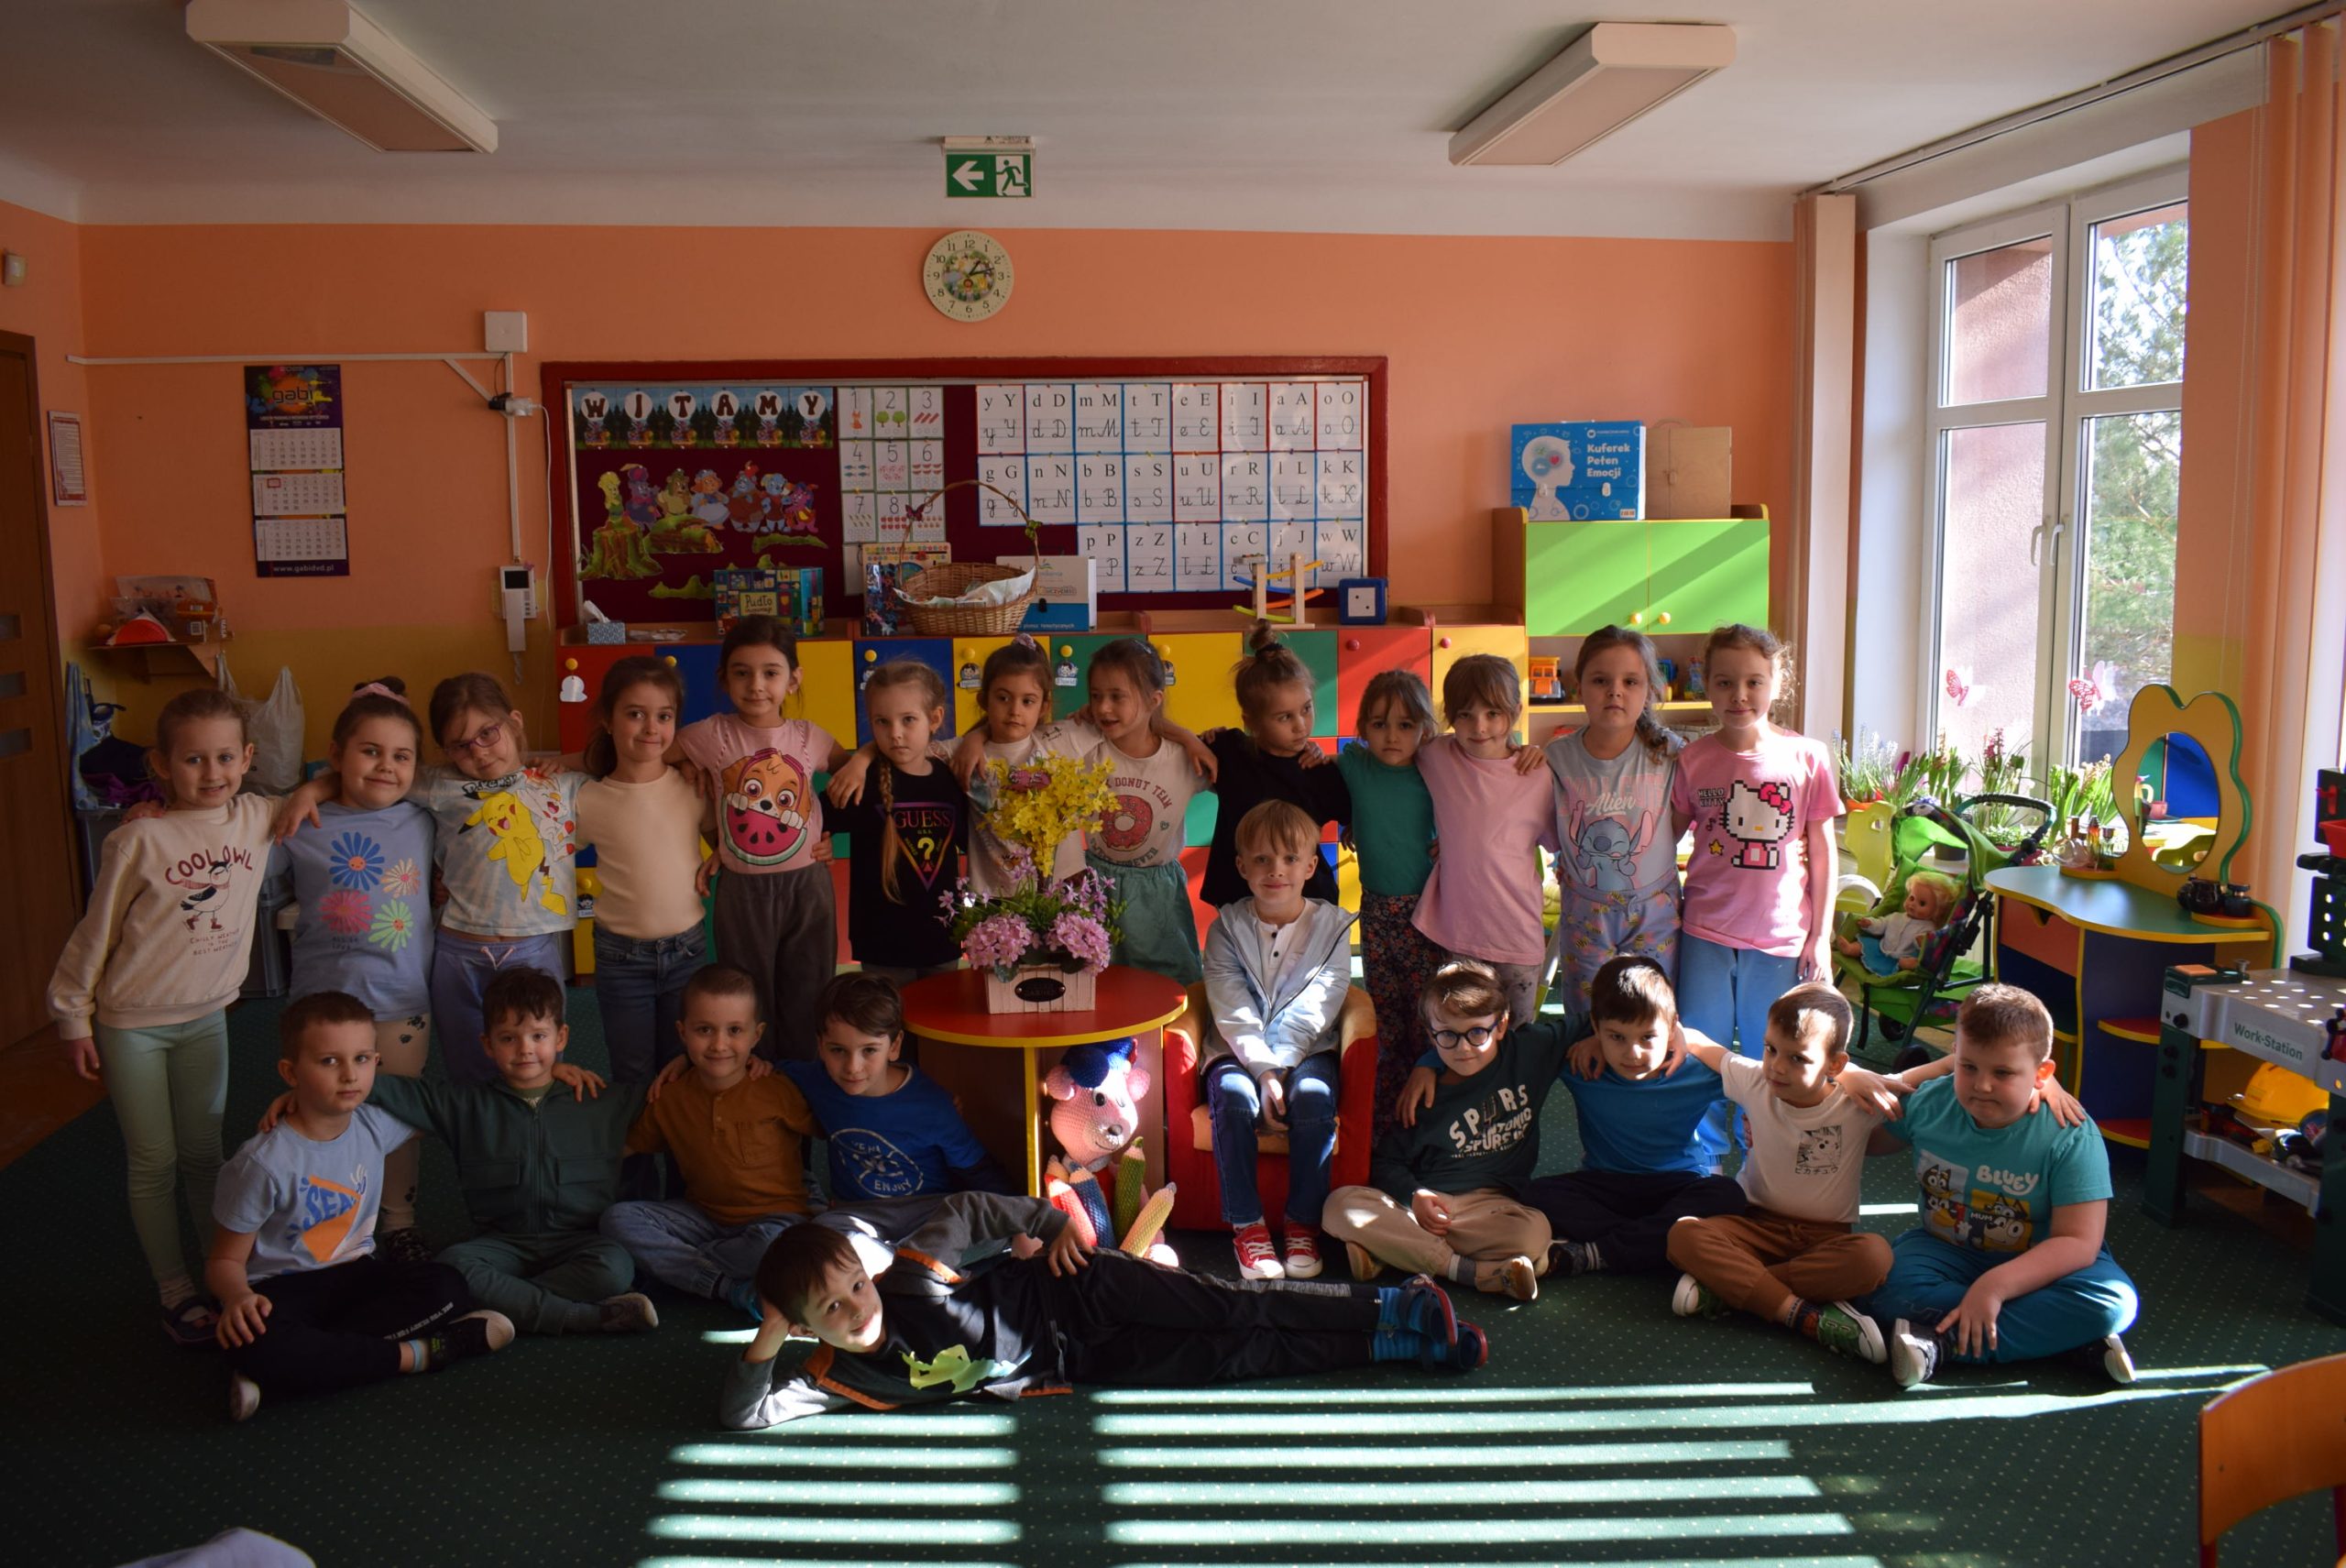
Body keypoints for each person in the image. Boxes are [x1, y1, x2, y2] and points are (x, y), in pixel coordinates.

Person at [717, 1191, 1485, 1426]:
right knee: (1230, 1357)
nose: (857, 1307)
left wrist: (1051, 1224)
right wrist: (769, 1335)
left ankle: (1394, 1302)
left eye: (855, 1285)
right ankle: (1397, 1347)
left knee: (1230, 1304)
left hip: (1078, 1285)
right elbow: (743, 1415)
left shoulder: (912, 1276)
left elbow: (972, 1209)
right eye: (830, 1307)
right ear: (803, 1326)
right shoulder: (834, 1377)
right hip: (1082, 1358)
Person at [49, 688, 284, 1345]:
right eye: (193, 759)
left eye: (225, 757)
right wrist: (72, 1015)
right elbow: (95, 933)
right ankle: (174, 1290)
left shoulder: (257, 816)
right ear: (161, 764)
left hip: (207, 1017)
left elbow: (317, 790)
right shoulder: (138, 838)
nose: (212, 773)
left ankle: (221, 1273)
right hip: (132, 1023)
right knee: (153, 1159)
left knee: (206, 1153)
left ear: (248, 758)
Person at [258, 967, 658, 1337]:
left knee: (615, 1267)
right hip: (500, 1245)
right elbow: (373, 1085)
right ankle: (578, 1317)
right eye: (508, 1038)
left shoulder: (599, 1100)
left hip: (579, 1242)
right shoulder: (463, 1104)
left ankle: (506, 1302)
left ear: (562, 1038)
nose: (525, 1049)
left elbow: (669, 1096)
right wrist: (307, 1091)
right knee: (452, 1268)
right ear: (488, 1044)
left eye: (539, 1036)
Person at [276, 671, 590, 1088]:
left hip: (532, 949)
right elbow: (372, 773)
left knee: (538, 1064)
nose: (478, 752)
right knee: (469, 1067)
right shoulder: (439, 784)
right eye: (460, 744)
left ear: (514, 722)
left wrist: (569, 759)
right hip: (459, 952)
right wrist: (311, 791)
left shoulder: (561, 785)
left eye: (488, 733)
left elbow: (617, 762)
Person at [208, 992, 511, 1421]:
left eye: (363, 1059)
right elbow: (223, 1261)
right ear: (290, 1072)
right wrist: (237, 1296)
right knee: (253, 1339)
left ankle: (297, 1367)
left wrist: (544, 1072)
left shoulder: (374, 1123)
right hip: (281, 1289)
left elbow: (453, 1107)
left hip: (356, 1275)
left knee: (448, 1288)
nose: (350, 1074)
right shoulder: (261, 1163)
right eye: (329, 1061)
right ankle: (419, 1355)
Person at [1866, 984, 2142, 1387]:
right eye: (1968, 1067)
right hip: (1943, 1249)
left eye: (2003, 1073)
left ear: (2042, 1074)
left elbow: (2079, 1242)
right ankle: (2062, 1339)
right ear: (1953, 1057)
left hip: (2042, 1259)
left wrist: (1995, 1288)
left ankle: (1941, 1345)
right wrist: (1839, 1088)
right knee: (1883, 1288)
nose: (1982, 1086)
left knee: (2112, 1303)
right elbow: (1864, 1141)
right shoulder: (1930, 1103)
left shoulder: (2071, 1134)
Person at [268, 678, 437, 1264]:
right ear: (336, 755)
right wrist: (310, 789)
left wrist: (315, 781)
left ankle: (399, 1221)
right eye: (370, 751)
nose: (387, 766)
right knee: (325, 1117)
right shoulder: (301, 821)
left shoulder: (423, 814)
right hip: (323, 1007)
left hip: (401, 1001)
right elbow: (235, 848)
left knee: (397, 1116)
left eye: (402, 755)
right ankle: (335, 1227)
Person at [1661, 983, 1893, 1361]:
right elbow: (1703, 1044)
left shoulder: (1856, 1102)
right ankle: (1801, 1315)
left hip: (1825, 1239)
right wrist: (1675, 1031)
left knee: (1874, 1257)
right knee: (1684, 1235)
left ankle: (1728, 1288)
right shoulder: (1757, 1080)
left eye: (1797, 1058)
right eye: (1770, 1049)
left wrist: (1854, 1075)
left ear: (1835, 1064)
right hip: (1754, 1227)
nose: (1777, 1067)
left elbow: (1921, 1080)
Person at [1323, 960, 1562, 1300]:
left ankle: (1396, 1253)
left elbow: (1591, 1022)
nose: (1463, 1048)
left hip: (1490, 1208)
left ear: (1501, 1025)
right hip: (1424, 1206)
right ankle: (1473, 1272)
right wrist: (1414, 1195)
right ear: (1430, 1034)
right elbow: (1387, 1161)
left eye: (1477, 1032)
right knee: (1338, 1206)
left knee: (1534, 1231)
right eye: (1448, 1035)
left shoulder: (1530, 1051)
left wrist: (1602, 1042)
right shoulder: (1421, 1094)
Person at [676, 616, 855, 1059]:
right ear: (724, 679)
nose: (756, 685)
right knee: (745, 997)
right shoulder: (711, 734)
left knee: (810, 991)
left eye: (770, 672)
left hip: (808, 887)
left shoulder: (810, 737)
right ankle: (752, 1082)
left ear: (793, 679)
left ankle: (802, 1082)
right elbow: (646, 754)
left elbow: (854, 778)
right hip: (742, 892)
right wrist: (684, 766)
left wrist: (835, 831)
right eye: (742, 672)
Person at [600, 964, 821, 1320]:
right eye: (704, 1030)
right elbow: (626, 1147)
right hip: (703, 1219)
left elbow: (833, 1127)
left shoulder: (777, 1089)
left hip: (775, 1222)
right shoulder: (670, 1097)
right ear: (682, 1033)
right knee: (617, 1219)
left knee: (775, 1246)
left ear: (756, 1035)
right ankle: (729, 1287)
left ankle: (680, 1270)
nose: (719, 1045)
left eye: (735, 1030)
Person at [1200, 800, 1357, 1280]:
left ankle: (1302, 1222)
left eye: (1290, 859)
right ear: (1241, 866)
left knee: (1313, 1097)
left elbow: (1320, 1005)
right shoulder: (1225, 928)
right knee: (1233, 1096)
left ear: (1310, 866)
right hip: (1236, 1047)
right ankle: (1247, 1225)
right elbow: (1231, 1005)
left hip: (1309, 1047)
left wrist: (1283, 1067)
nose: (1276, 871)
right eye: (1262, 859)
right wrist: (1263, 1070)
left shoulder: (1334, 927)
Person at [1516, 956, 1746, 1277]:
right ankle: (1656, 1244)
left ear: (1672, 1028)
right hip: (1606, 1184)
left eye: (1647, 1037)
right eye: (1616, 1037)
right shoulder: (1581, 1064)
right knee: (1535, 1194)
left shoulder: (1696, 1071)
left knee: (1727, 1194)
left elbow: (1762, 1083)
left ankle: (1598, 1253)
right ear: (1596, 1027)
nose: (1633, 1053)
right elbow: (1518, 1049)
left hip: (1677, 1184)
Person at [576, 655, 711, 1080]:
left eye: (664, 716)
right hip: (620, 957)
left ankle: (674, 1131)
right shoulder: (588, 799)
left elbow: (728, 841)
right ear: (607, 719)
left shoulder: (692, 786)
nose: (651, 728)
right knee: (632, 1071)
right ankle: (635, 1129)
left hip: (687, 951)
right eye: (635, 714)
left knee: (683, 1067)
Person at [1411, 653, 1557, 1028]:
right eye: (1465, 714)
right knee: (1461, 1035)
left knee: (1518, 1038)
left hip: (1517, 936)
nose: (1479, 727)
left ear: (1516, 712)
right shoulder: (1435, 755)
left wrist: (1534, 750)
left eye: (1493, 713)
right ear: (1450, 716)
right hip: (1459, 936)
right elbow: (1385, 764)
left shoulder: (1537, 774)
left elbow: (1559, 843)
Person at [1544, 626, 1683, 1011]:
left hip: (1654, 909)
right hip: (1586, 909)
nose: (1615, 691)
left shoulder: (1670, 752)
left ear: (1649, 690)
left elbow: (1690, 814)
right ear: (1579, 688)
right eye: (1601, 680)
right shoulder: (1555, 757)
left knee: (1652, 1011)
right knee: (1587, 1013)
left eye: (1630, 681)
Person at [778, 972, 1012, 1201]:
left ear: (894, 1046)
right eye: (838, 1050)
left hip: (927, 1210)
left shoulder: (933, 1106)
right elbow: (773, 1070)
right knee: (826, 1227)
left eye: (869, 1050)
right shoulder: (816, 1080)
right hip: (855, 1213)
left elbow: (978, 1170)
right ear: (820, 1046)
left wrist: (1017, 1216)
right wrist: (759, 1064)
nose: (852, 1067)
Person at [1334, 668, 1446, 1135]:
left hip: (1428, 910)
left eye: (1405, 724)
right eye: (1379, 724)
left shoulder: (1436, 768)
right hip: (1378, 911)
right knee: (1385, 1013)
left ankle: (1429, 1110)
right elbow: (1312, 770)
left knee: (1427, 1012)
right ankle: (1387, 1115)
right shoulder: (1355, 766)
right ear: (1363, 728)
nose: (1392, 736)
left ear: (1425, 728)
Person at [1063, 637, 1210, 983]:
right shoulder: (1083, 747)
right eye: (1096, 696)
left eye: (1117, 696)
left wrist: (1190, 738)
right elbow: (1020, 740)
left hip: (1157, 893)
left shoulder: (1184, 759)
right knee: (1097, 982)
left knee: (1166, 983)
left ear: (1153, 701)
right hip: (1095, 883)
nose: (1103, 708)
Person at [820, 660, 967, 986]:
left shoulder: (950, 780)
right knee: (886, 1019)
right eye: (882, 722)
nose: (895, 733)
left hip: (942, 940)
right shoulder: (862, 781)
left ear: (935, 719)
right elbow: (807, 821)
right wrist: (821, 842)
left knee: (939, 1019)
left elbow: (972, 842)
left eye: (908, 719)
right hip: (881, 945)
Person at [1199, 623, 1351, 908]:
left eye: (1306, 709)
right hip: (1238, 900)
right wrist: (1193, 741)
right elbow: (1164, 745)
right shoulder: (1229, 751)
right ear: (1251, 721)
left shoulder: (1317, 770)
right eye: (1284, 717)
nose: (1301, 725)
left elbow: (1361, 803)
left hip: (1306, 904)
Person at [1837, 869, 1959, 974]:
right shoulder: (1896, 916)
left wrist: (1922, 942)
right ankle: (1850, 949)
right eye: (1912, 898)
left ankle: (1906, 967)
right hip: (1881, 948)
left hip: (1903, 957)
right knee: (1866, 944)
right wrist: (1870, 924)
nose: (1913, 904)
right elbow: (1882, 924)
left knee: (1908, 962)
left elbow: (1929, 946)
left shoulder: (1929, 927)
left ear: (1937, 911)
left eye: (1922, 903)